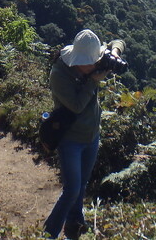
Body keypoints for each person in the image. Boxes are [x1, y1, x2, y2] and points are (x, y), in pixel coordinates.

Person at [43, 29, 113, 239]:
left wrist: (115, 53)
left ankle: (75, 224)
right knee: (72, 189)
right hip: (70, 140)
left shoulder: (91, 67)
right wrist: (93, 81)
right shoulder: (59, 75)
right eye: (89, 63)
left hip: (91, 136)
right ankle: (49, 234)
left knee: (82, 183)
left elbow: (119, 42)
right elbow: (75, 106)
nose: (94, 66)